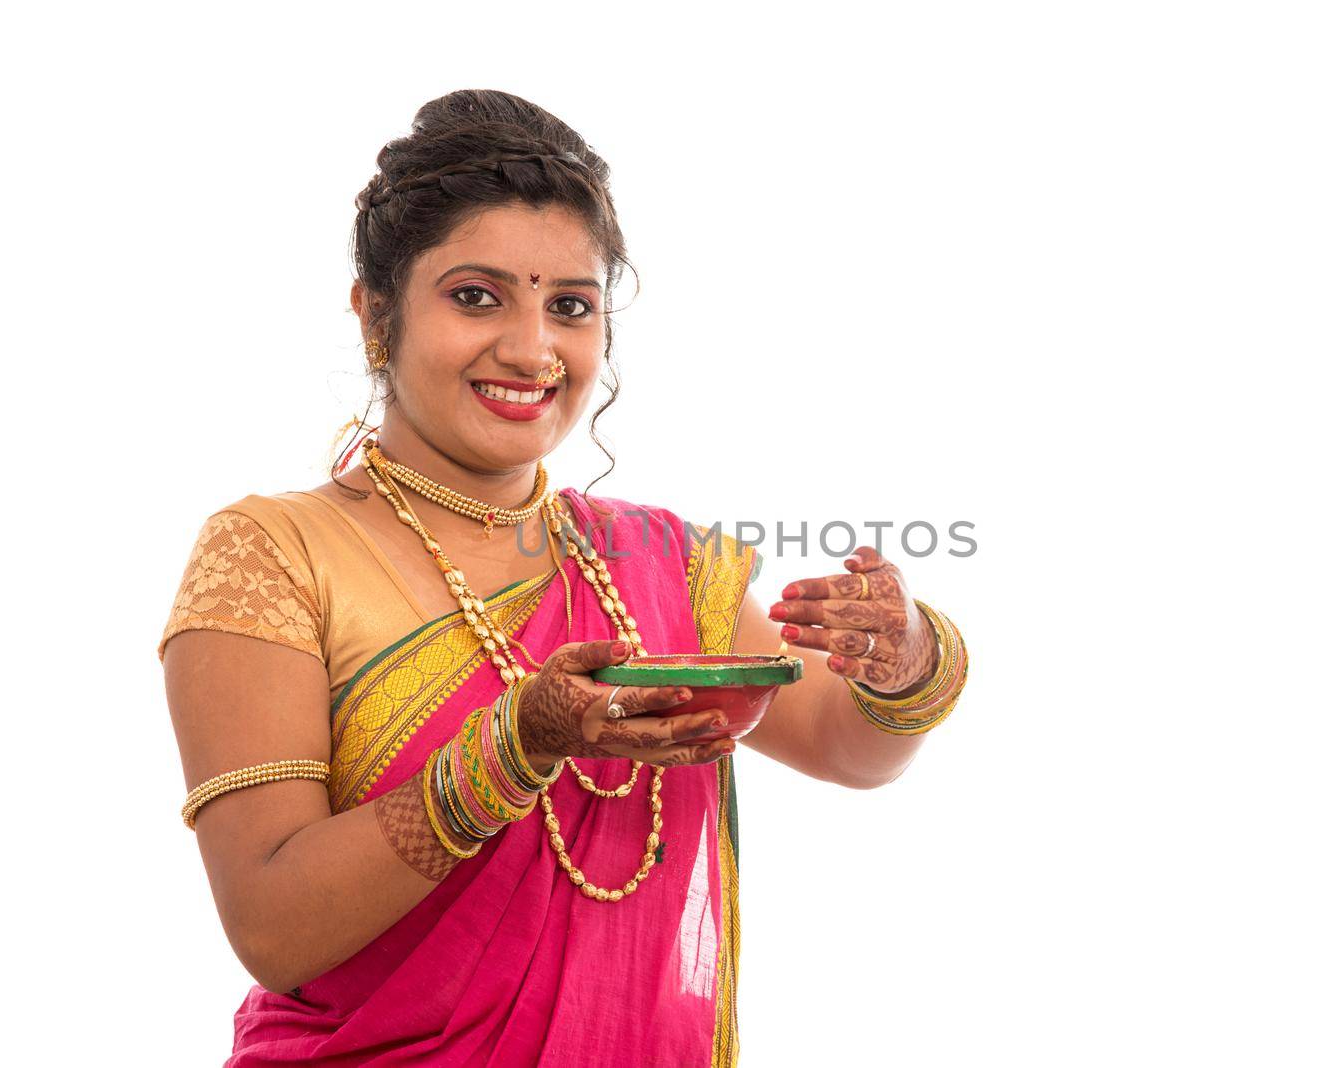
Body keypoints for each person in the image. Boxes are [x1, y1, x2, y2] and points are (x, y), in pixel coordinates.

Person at [158, 89, 969, 1068]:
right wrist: (512, 748)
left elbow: (848, 751)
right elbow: (275, 925)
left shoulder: (659, 562)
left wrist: (907, 663)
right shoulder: (273, 554)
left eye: (570, 307)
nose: (532, 348)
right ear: (376, 311)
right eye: (475, 295)